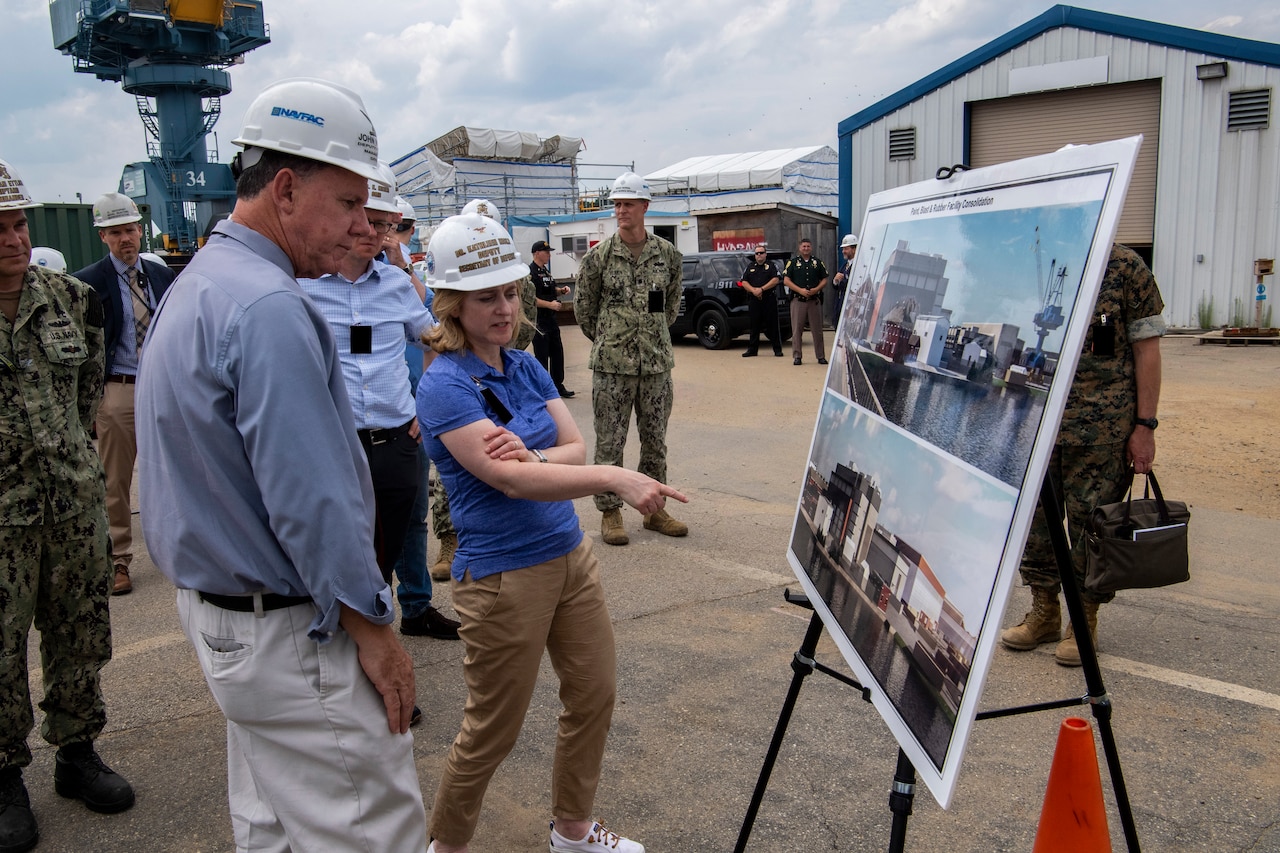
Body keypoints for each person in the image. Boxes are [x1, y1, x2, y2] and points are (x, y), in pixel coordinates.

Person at [134, 79, 428, 849]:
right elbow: (315, 499)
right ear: (288, 188)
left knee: (269, 826)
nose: (364, 227)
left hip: (224, 617)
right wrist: (377, 630)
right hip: (292, 633)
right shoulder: (267, 307)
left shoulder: (201, 283)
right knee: (373, 831)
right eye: (350, 205)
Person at [417, 212, 687, 853]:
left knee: (593, 695)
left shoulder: (524, 366)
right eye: (487, 296)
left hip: (569, 556)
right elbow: (505, 482)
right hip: (504, 575)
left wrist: (538, 460)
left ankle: (572, 832)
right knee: (493, 731)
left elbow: (566, 447)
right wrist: (614, 478)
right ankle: (444, 846)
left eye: (511, 291)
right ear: (453, 303)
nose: (506, 307)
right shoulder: (445, 386)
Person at [0, 156, 134, 853]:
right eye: (0, 228)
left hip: (72, 502)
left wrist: (71, 459)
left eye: (19, 223)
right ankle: (3, 775)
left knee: (80, 632)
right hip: (2, 517)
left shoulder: (70, 299)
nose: (15, 239)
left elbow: (86, 384)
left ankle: (77, 751)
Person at [299, 163, 460, 643]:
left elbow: (433, 338)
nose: (375, 232)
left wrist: (424, 405)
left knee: (390, 544)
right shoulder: (303, 285)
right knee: (343, 550)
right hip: (334, 443)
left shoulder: (395, 286)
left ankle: (384, 632)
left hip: (394, 440)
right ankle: (354, 646)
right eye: (368, 219)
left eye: (386, 224)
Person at [1001, 243, 1165, 666]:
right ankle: (1044, 613)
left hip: (1101, 429)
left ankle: (1083, 619)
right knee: (1035, 527)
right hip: (1037, 424)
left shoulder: (1127, 267)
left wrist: (1145, 427)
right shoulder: (1053, 260)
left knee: (1092, 528)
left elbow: (1148, 351)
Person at [574, 171, 687, 546]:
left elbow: (670, 308)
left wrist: (649, 336)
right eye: (617, 204)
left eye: (628, 204)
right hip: (612, 367)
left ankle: (654, 511)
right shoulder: (598, 258)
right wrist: (613, 339)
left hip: (656, 365)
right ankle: (610, 512)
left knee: (655, 440)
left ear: (644, 207)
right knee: (610, 442)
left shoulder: (668, 255)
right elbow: (585, 311)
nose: (621, 210)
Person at [71, 192, 175, 595]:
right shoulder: (87, 283)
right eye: (116, 233)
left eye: (130, 230)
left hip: (161, 387)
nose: (126, 239)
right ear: (103, 236)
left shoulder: (160, 274)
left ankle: (179, 548)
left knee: (172, 471)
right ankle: (118, 560)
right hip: (118, 388)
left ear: (139, 229)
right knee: (115, 480)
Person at [530, 239, 575, 397]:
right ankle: (543, 388)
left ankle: (558, 385)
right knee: (542, 355)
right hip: (539, 321)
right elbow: (531, 298)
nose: (549, 254)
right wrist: (549, 305)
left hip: (551, 320)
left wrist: (561, 291)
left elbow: (549, 290)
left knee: (557, 352)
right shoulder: (531, 273)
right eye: (546, 252)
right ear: (537, 253)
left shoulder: (546, 272)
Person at [783, 236, 828, 366]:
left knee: (817, 330)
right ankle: (797, 356)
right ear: (799, 248)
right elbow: (786, 280)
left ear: (811, 248)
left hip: (814, 301)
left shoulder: (817, 262)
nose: (806, 248)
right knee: (797, 330)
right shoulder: (792, 262)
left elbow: (824, 279)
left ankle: (820, 356)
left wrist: (816, 289)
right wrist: (800, 290)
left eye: (808, 246)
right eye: (804, 246)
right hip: (798, 300)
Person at [739, 244, 783, 357]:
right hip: (754, 300)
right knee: (754, 326)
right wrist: (754, 291)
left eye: (761, 253)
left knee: (773, 325)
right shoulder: (750, 266)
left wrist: (761, 289)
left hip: (769, 299)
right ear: (755, 255)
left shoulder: (771, 266)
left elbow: (776, 280)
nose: (759, 255)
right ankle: (752, 350)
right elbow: (743, 282)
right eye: (757, 253)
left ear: (765, 254)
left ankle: (777, 349)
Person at [830, 233, 858, 330]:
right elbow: (836, 286)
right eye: (843, 249)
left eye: (846, 249)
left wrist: (844, 280)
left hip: (851, 307)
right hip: (841, 303)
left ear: (854, 249)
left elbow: (855, 285)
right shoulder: (844, 265)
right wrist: (835, 281)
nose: (843, 251)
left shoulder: (859, 266)